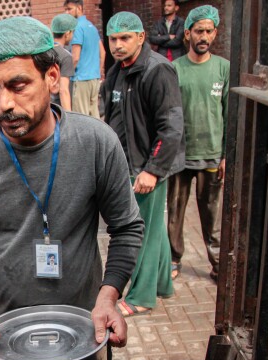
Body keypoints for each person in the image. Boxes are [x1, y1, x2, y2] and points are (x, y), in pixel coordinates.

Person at [0, 16, 144, 360]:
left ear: (51, 78)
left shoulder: (96, 143)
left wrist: (109, 297)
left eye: (18, 86)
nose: (3, 103)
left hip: (84, 329)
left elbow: (127, 227)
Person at [102, 11, 185, 317]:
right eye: (113, 39)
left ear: (140, 37)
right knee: (153, 229)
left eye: (125, 38)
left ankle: (140, 296)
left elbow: (171, 126)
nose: (118, 45)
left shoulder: (157, 71)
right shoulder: (119, 70)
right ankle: (162, 284)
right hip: (126, 163)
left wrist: (152, 169)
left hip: (147, 166)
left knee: (141, 231)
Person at [169, 6, 229, 282]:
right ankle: (173, 258)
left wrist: (227, 154)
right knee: (175, 212)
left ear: (214, 32)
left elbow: (229, 113)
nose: (203, 36)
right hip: (181, 156)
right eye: (198, 31)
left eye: (208, 31)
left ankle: (218, 264)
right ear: (188, 33)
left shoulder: (223, 68)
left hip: (212, 154)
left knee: (212, 214)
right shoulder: (175, 69)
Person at [63, 0, 106, 118]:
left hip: (81, 79)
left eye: (69, 9)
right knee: (95, 118)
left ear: (79, 8)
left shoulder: (76, 28)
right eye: (65, 10)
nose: (67, 13)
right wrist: (98, 72)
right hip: (94, 78)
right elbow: (103, 52)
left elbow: (75, 58)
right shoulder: (91, 26)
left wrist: (65, 75)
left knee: (82, 119)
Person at [50, 14, 78, 111]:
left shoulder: (44, 51)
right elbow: (63, 90)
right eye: (73, 32)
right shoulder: (65, 56)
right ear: (67, 33)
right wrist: (69, 117)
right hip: (58, 108)